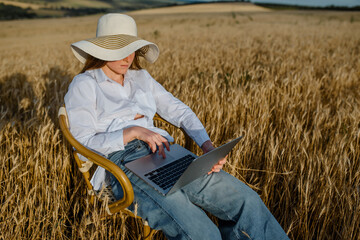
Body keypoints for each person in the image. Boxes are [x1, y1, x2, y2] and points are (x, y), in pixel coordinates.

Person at [64, 13, 289, 240]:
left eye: (131, 48)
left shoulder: (141, 77)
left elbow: (178, 110)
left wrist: (207, 145)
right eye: (119, 49)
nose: (128, 57)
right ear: (102, 50)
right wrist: (132, 132)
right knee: (203, 233)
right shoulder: (84, 84)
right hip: (121, 164)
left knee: (246, 201)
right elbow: (82, 143)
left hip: (166, 154)